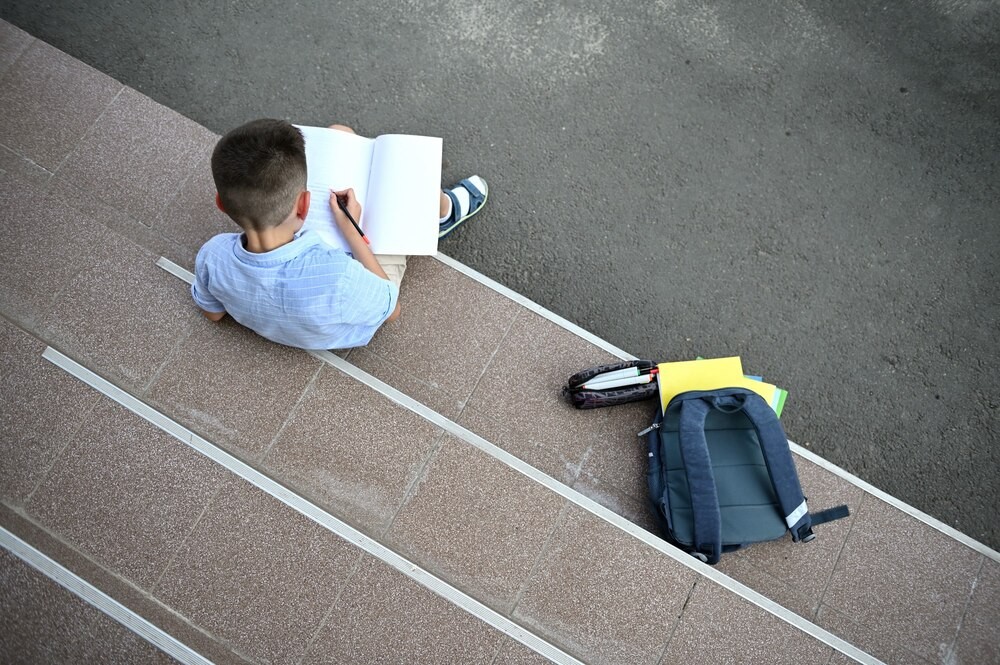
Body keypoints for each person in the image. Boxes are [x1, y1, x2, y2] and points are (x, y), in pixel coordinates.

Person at [191, 118, 487, 350]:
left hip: (304, 285)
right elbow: (391, 308)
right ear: (305, 204)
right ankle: (442, 213)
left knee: (339, 132)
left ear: (221, 203)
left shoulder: (211, 256)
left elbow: (213, 313)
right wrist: (352, 230)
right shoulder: (340, 278)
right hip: (346, 295)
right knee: (402, 183)